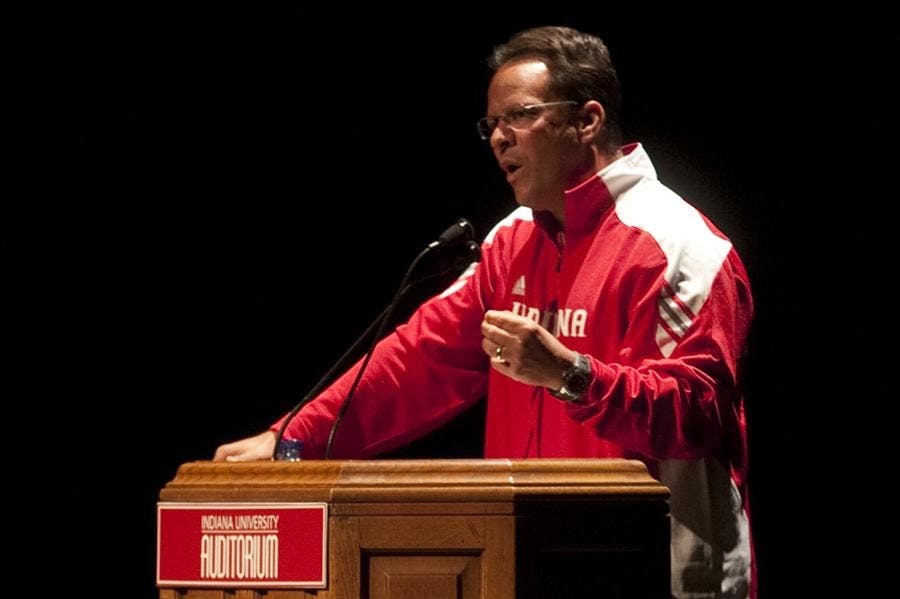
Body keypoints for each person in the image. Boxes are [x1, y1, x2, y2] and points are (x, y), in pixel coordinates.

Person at [214, 26, 755, 598]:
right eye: (491, 124)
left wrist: (572, 375)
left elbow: (698, 412)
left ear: (587, 119)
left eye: (519, 116)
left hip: (656, 574)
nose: (499, 139)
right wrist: (293, 438)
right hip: (524, 567)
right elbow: (417, 360)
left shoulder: (678, 245)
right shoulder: (510, 241)